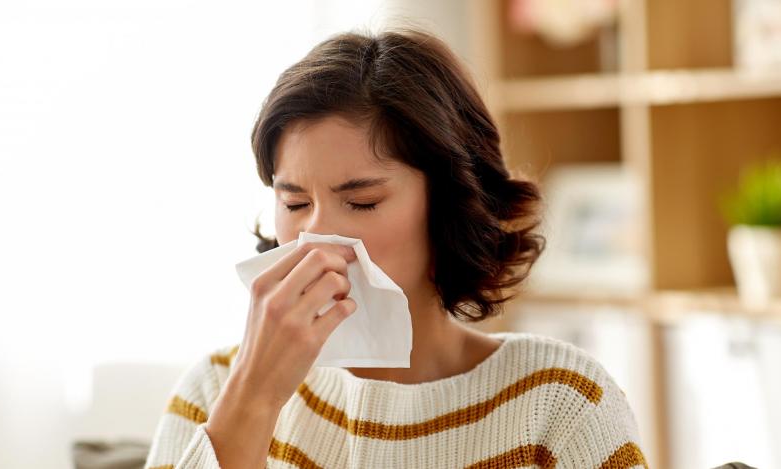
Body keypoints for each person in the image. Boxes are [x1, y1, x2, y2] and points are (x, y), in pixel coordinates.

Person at [144, 27, 649, 469]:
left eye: (361, 202)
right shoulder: (214, 390)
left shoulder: (559, 400)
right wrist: (253, 398)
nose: (316, 236)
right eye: (295, 203)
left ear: (449, 205)